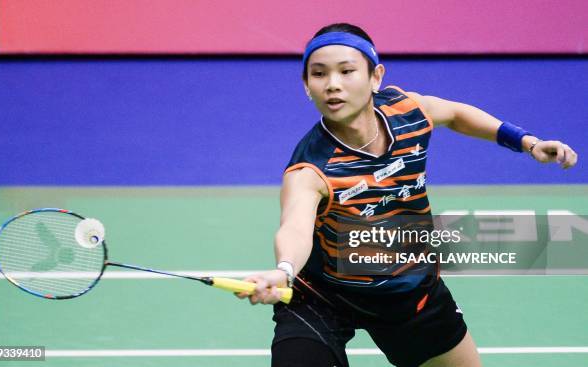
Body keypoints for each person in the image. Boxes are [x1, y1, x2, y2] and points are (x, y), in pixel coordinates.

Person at [236, 23, 578, 367]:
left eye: (346, 71)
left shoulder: (408, 112)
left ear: (375, 77)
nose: (333, 84)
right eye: (319, 74)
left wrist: (526, 142)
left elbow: (457, 114)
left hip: (407, 287)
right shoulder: (311, 168)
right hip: (323, 295)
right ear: (306, 86)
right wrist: (283, 272)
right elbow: (295, 227)